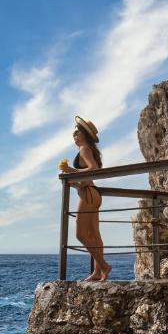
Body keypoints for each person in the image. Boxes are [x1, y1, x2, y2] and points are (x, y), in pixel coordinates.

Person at [59, 116, 112, 281]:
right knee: (95, 235)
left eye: (77, 132)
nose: (74, 135)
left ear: (84, 135)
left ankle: (104, 266)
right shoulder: (88, 149)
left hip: (88, 194)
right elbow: (85, 179)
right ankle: (97, 272)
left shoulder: (84, 149)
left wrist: (70, 170)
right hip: (92, 192)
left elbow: (92, 169)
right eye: (73, 133)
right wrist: (73, 181)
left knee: (80, 234)